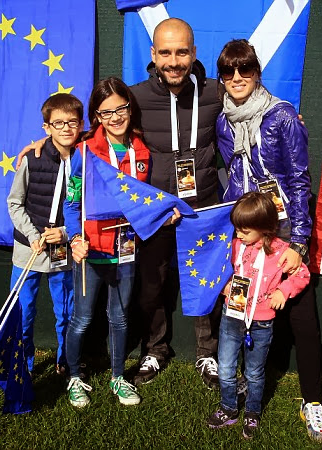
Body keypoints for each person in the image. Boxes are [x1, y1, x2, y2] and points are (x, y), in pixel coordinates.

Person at [215, 39, 322, 441]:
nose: (237, 78)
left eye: (245, 69)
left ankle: (312, 399)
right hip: (246, 229)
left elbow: (298, 181)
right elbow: (232, 172)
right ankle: (241, 385)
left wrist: (298, 241)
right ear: (221, 78)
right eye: (229, 71)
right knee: (242, 307)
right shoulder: (224, 121)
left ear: (257, 72)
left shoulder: (281, 116)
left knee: (301, 317)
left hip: (283, 229)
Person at [129, 18, 223, 388]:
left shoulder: (216, 92)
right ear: (153, 55)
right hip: (156, 211)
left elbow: (256, 108)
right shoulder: (134, 97)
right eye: (165, 53)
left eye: (181, 52)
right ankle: (155, 349)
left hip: (203, 208)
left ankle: (207, 354)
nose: (173, 61)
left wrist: (287, 119)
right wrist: (48, 144)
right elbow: (99, 130)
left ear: (194, 53)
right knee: (152, 285)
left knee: (206, 281)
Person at [63, 77, 161, 408]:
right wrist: (75, 238)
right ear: (97, 116)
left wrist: (165, 213)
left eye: (121, 108)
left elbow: (145, 201)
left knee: (119, 318)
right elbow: (71, 203)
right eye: (106, 112)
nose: (115, 117)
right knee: (82, 319)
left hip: (126, 249)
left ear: (130, 108)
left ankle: (118, 376)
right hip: (90, 250)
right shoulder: (85, 151)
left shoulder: (142, 150)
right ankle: (74, 376)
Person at [207, 192, 310, 439]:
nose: (239, 234)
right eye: (237, 229)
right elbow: (215, 267)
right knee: (226, 368)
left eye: (244, 230)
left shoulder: (280, 250)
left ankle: (252, 412)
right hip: (232, 316)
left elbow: (302, 274)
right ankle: (229, 407)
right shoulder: (233, 245)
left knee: (254, 372)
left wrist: (283, 291)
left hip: (261, 322)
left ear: (264, 228)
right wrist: (223, 285)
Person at [7, 93, 83, 377]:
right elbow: (14, 203)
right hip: (29, 249)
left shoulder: (86, 160)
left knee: (65, 311)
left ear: (81, 125)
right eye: (58, 123)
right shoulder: (32, 159)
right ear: (46, 127)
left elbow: (88, 209)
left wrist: (65, 232)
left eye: (72, 122)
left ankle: (65, 361)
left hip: (62, 249)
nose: (66, 128)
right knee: (23, 311)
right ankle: (23, 364)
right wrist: (31, 234)